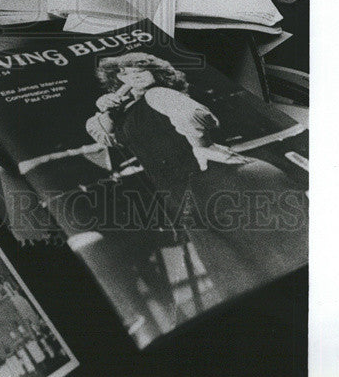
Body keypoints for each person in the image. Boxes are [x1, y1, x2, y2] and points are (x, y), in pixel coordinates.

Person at [85, 52, 309, 290]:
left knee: (263, 267)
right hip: (196, 194)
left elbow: (195, 116)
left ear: (155, 73)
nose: (134, 75)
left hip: (218, 184)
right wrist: (106, 110)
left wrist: (201, 146)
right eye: (126, 73)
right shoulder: (126, 113)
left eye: (141, 70)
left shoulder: (158, 94)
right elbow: (103, 136)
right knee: (256, 269)